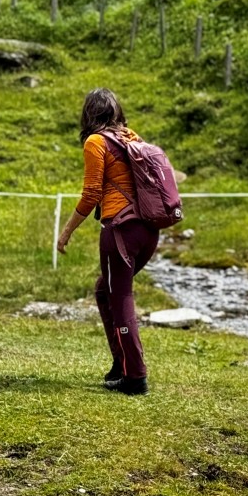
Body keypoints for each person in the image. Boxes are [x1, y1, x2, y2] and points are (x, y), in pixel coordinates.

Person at [56, 89, 159, 395]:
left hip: (121, 229)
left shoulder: (95, 141)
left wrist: (66, 232)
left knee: (119, 295)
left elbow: (91, 194)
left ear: (89, 114)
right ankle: (121, 362)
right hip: (149, 230)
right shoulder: (132, 137)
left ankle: (135, 377)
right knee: (105, 290)